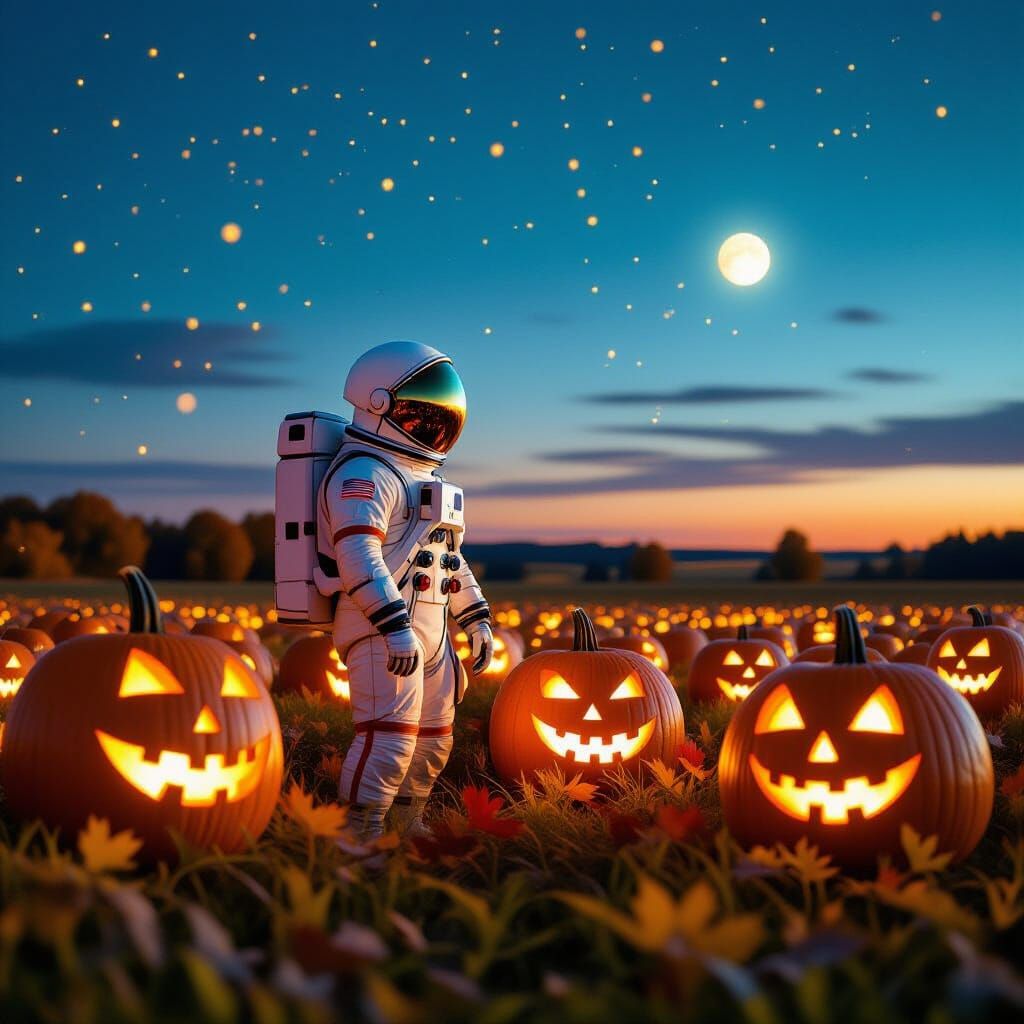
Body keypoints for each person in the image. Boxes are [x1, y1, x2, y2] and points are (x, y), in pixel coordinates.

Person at [317, 341, 493, 838]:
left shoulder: (422, 478)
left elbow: (448, 560)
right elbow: (359, 558)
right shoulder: (365, 473)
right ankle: (361, 833)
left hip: (431, 632)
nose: (432, 422)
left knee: (435, 737)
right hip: (382, 627)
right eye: (419, 411)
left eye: (439, 413)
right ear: (378, 403)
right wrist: (394, 629)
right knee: (389, 736)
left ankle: (408, 819)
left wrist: (475, 617)